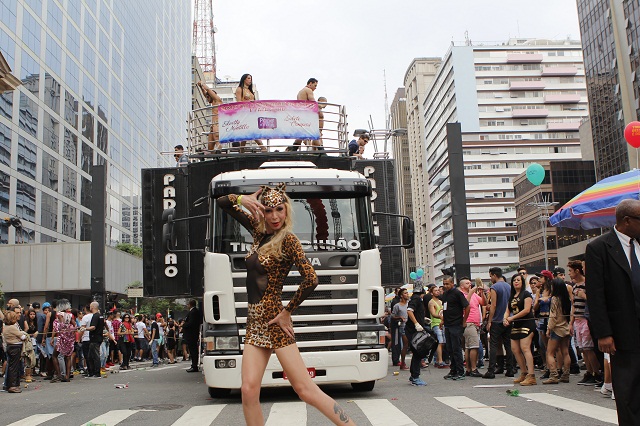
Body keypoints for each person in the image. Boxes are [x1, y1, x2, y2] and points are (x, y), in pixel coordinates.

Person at [217, 184, 356, 425]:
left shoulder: (289, 240)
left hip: (273, 320)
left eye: (279, 210)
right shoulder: (258, 232)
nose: (274, 216)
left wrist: (286, 311)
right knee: (248, 390)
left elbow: (311, 278)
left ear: (286, 210)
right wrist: (242, 199)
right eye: (268, 210)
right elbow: (222, 202)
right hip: (255, 322)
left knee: (305, 390)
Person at [586, 199, 640, 425]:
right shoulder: (599, 248)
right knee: (628, 392)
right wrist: (603, 333)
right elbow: (596, 295)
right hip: (622, 333)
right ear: (627, 221)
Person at [568, 259, 600, 385]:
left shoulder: (587, 284)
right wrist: (571, 322)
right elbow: (573, 305)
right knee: (582, 348)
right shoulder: (575, 286)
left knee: (588, 348)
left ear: (577, 271)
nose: (569, 273)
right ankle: (589, 371)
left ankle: (596, 373)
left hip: (586, 319)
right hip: (577, 320)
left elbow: (595, 300)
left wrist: (584, 295)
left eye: (571, 271)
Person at [505, 274, 537, 386]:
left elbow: (527, 310)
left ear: (522, 282)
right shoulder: (512, 296)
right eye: (514, 280)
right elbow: (508, 310)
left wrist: (511, 318)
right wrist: (505, 318)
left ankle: (531, 375)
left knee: (525, 348)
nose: (516, 282)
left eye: (518, 280)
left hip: (527, 323)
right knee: (515, 349)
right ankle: (524, 372)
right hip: (516, 324)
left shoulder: (526, 294)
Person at [483, 267, 515, 379]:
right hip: (508, 319)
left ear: (494, 275)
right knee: (508, 344)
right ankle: (510, 368)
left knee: (494, 345)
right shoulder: (509, 286)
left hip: (497, 319)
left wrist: (489, 321)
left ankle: (491, 370)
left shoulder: (494, 287)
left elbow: (494, 305)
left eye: (490, 276)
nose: (490, 278)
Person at [543, 278, 572, 384]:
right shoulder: (566, 298)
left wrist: (548, 329)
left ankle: (554, 375)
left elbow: (553, 316)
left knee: (549, 353)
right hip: (565, 327)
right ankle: (566, 374)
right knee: (565, 352)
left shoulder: (554, 299)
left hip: (556, 328)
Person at [441, 276, 469, 380]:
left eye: (447, 284)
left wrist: (464, 320)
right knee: (450, 348)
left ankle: (460, 371)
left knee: (456, 348)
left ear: (452, 283)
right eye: (444, 284)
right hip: (447, 325)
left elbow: (467, 306)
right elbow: (445, 308)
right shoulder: (445, 294)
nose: (445, 286)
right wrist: (443, 321)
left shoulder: (457, 293)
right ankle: (453, 370)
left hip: (456, 324)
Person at [459, 277, 486, 377]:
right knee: (473, 346)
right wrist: (473, 291)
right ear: (462, 286)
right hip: (469, 323)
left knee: (469, 346)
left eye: (470, 283)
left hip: (475, 323)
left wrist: (482, 293)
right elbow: (466, 303)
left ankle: (469, 369)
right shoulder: (461, 294)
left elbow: (484, 303)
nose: (469, 284)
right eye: (467, 283)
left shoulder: (474, 294)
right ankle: (473, 368)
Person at [234, 74, 266, 153]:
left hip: (252, 113)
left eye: (251, 78)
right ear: (244, 79)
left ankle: (241, 149)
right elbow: (238, 103)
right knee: (251, 130)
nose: (250, 80)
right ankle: (262, 147)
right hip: (245, 113)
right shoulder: (239, 89)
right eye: (248, 78)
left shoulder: (250, 91)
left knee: (247, 131)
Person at [405, 282, 429, 386]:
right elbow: (409, 311)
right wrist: (416, 323)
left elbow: (413, 312)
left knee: (417, 352)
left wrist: (422, 319)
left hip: (414, 329)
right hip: (414, 330)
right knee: (418, 352)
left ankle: (413, 375)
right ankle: (415, 376)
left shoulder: (416, 298)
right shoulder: (416, 298)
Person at [288, 78, 320, 151]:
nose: (315, 88)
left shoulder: (300, 92)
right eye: (315, 85)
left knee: (301, 134)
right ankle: (321, 150)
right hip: (306, 115)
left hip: (300, 114)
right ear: (310, 83)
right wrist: (320, 106)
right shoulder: (308, 90)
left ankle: (294, 150)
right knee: (314, 132)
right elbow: (313, 102)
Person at [2, 311, 27, 393]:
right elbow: (22, 336)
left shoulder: (5, 327)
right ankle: (13, 386)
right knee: (14, 367)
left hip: (10, 347)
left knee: (11, 366)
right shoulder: (12, 327)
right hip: (15, 347)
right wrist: (24, 335)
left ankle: (9, 384)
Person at [51, 299, 76, 382]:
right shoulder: (70, 315)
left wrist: (59, 328)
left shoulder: (59, 314)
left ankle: (59, 374)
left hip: (61, 337)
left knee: (54, 355)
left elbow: (61, 325)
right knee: (68, 357)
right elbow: (74, 324)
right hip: (69, 338)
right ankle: (67, 376)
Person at [197, 80, 223, 152]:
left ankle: (219, 149)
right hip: (213, 124)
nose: (208, 97)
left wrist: (202, 84)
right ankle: (212, 155)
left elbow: (208, 90)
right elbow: (206, 94)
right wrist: (201, 87)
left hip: (217, 123)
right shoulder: (213, 102)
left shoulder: (217, 100)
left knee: (217, 140)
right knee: (210, 146)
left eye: (209, 95)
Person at [391, 288, 410, 370]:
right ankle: (402, 362)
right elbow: (392, 316)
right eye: (405, 293)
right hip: (403, 327)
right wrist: (399, 317)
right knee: (405, 345)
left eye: (407, 293)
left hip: (411, 326)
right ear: (401, 295)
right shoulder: (397, 306)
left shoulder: (410, 304)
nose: (407, 294)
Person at [84, 302, 104, 379]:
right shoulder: (100, 316)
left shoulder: (95, 316)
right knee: (90, 356)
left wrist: (85, 328)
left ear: (92, 307)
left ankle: (97, 373)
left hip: (94, 338)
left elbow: (93, 327)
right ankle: (91, 372)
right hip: (98, 337)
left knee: (95, 356)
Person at [428, 285, 446, 368]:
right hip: (435, 323)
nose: (437, 292)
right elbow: (433, 313)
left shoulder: (440, 301)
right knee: (440, 341)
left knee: (441, 342)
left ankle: (436, 359)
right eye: (435, 290)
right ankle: (440, 360)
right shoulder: (431, 302)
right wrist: (440, 317)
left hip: (442, 323)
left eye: (438, 290)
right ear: (431, 293)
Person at [182, 300, 201, 372]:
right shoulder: (194, 312)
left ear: (190, 304)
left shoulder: (193, 312)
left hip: (192, 334)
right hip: (192, 334)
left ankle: (194, 365)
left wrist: (184, 325)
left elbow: (191, 323)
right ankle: (193, 365)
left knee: (193, 350)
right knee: (192, 350)